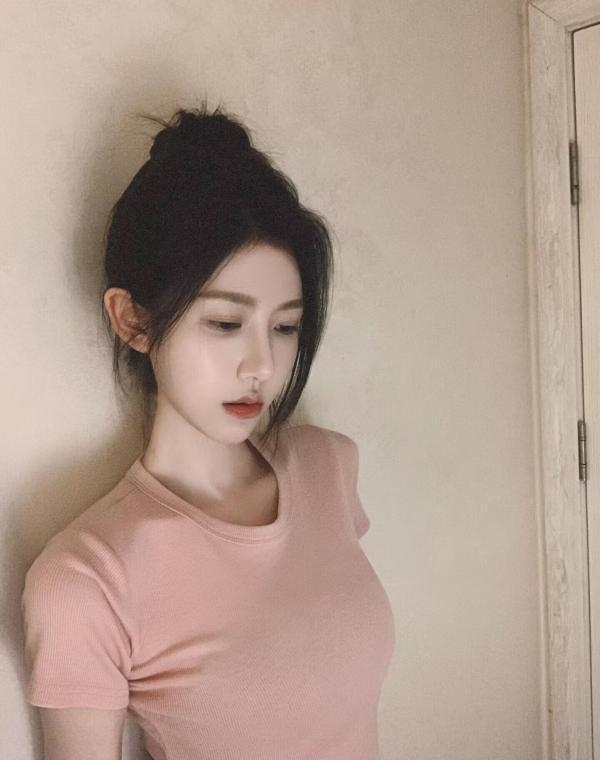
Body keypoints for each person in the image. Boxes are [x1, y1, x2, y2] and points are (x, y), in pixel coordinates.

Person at [20, 103, 396, 760]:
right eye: (225, 323)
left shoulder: (327, 466)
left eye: (285, 326)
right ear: (133, 320)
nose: (263, 366)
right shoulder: (88, 578)